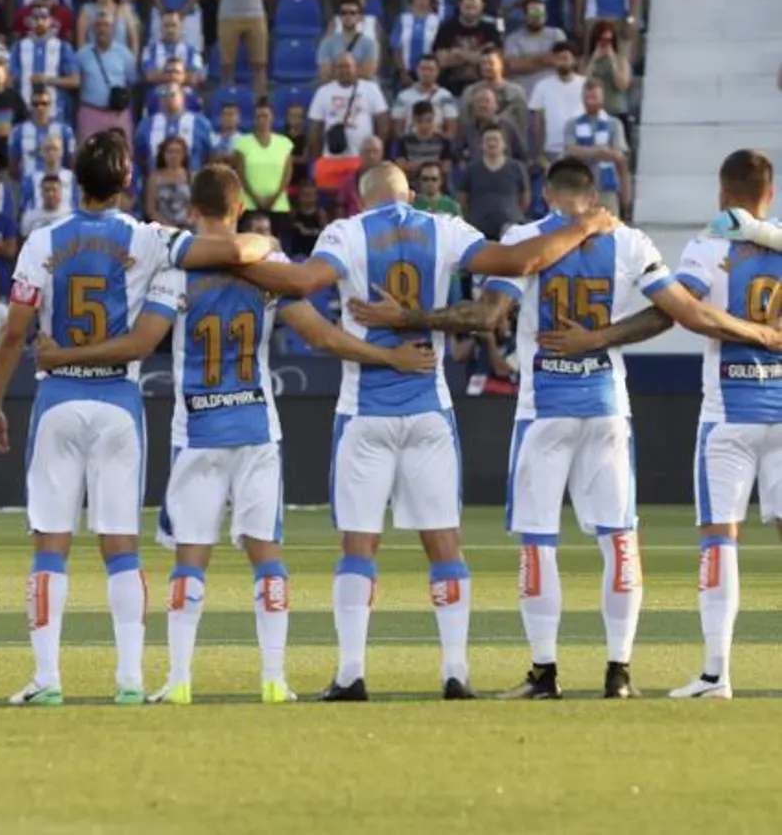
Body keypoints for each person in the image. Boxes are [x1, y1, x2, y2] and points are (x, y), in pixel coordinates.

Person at [354, 159, 782, 702]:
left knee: (539, 542)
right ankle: (618, 673)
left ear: (545, 192)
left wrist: (407, 318)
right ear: (595, 193)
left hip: (545, 412)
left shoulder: (526, 238)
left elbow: (485, 316)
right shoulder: (628, 240)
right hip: (607, 407)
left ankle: (545, 673)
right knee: (619, 539)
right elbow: (669, 313)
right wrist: (601, 337)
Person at [33, 164, 435, 703]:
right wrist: (388, 355)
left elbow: (139, 342)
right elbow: (322, 337)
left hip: (197, 430)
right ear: (240, 208)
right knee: (266, 555)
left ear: (192, 212)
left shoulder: (175, 273)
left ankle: (178, 680)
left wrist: (64, 356)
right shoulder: (269, 266)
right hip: (256, 429)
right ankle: (274, 678)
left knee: (190, 557)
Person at [235, 161, 628, 701]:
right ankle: (455, 673)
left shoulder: (346, 233)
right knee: (445, 545)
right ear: (412, 194)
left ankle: (351, 674)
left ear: (359, 199)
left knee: (358, 547)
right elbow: (519, 259)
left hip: (365, 410)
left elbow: (302, 283)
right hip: (429, 408)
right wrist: (583, 226)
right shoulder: (444, 228)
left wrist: (243, 259)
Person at [0, 130, 276, 706]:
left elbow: (14, 331)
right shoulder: (151, 239)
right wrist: (260, 244)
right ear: (128, 183)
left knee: (50, 547)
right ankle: (131, 679)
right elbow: (235, 252)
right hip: (118, 403)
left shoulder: (42, 240)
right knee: (121, 548)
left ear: (74, 178)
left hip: (58, 400)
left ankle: (47, 679)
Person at [530, 151, 782, 702]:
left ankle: (717, 673)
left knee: (720, 539)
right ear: (769, 191)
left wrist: (596, 338)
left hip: (729, 415)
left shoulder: (708, 247)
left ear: (722, 192)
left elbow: (675, 309)